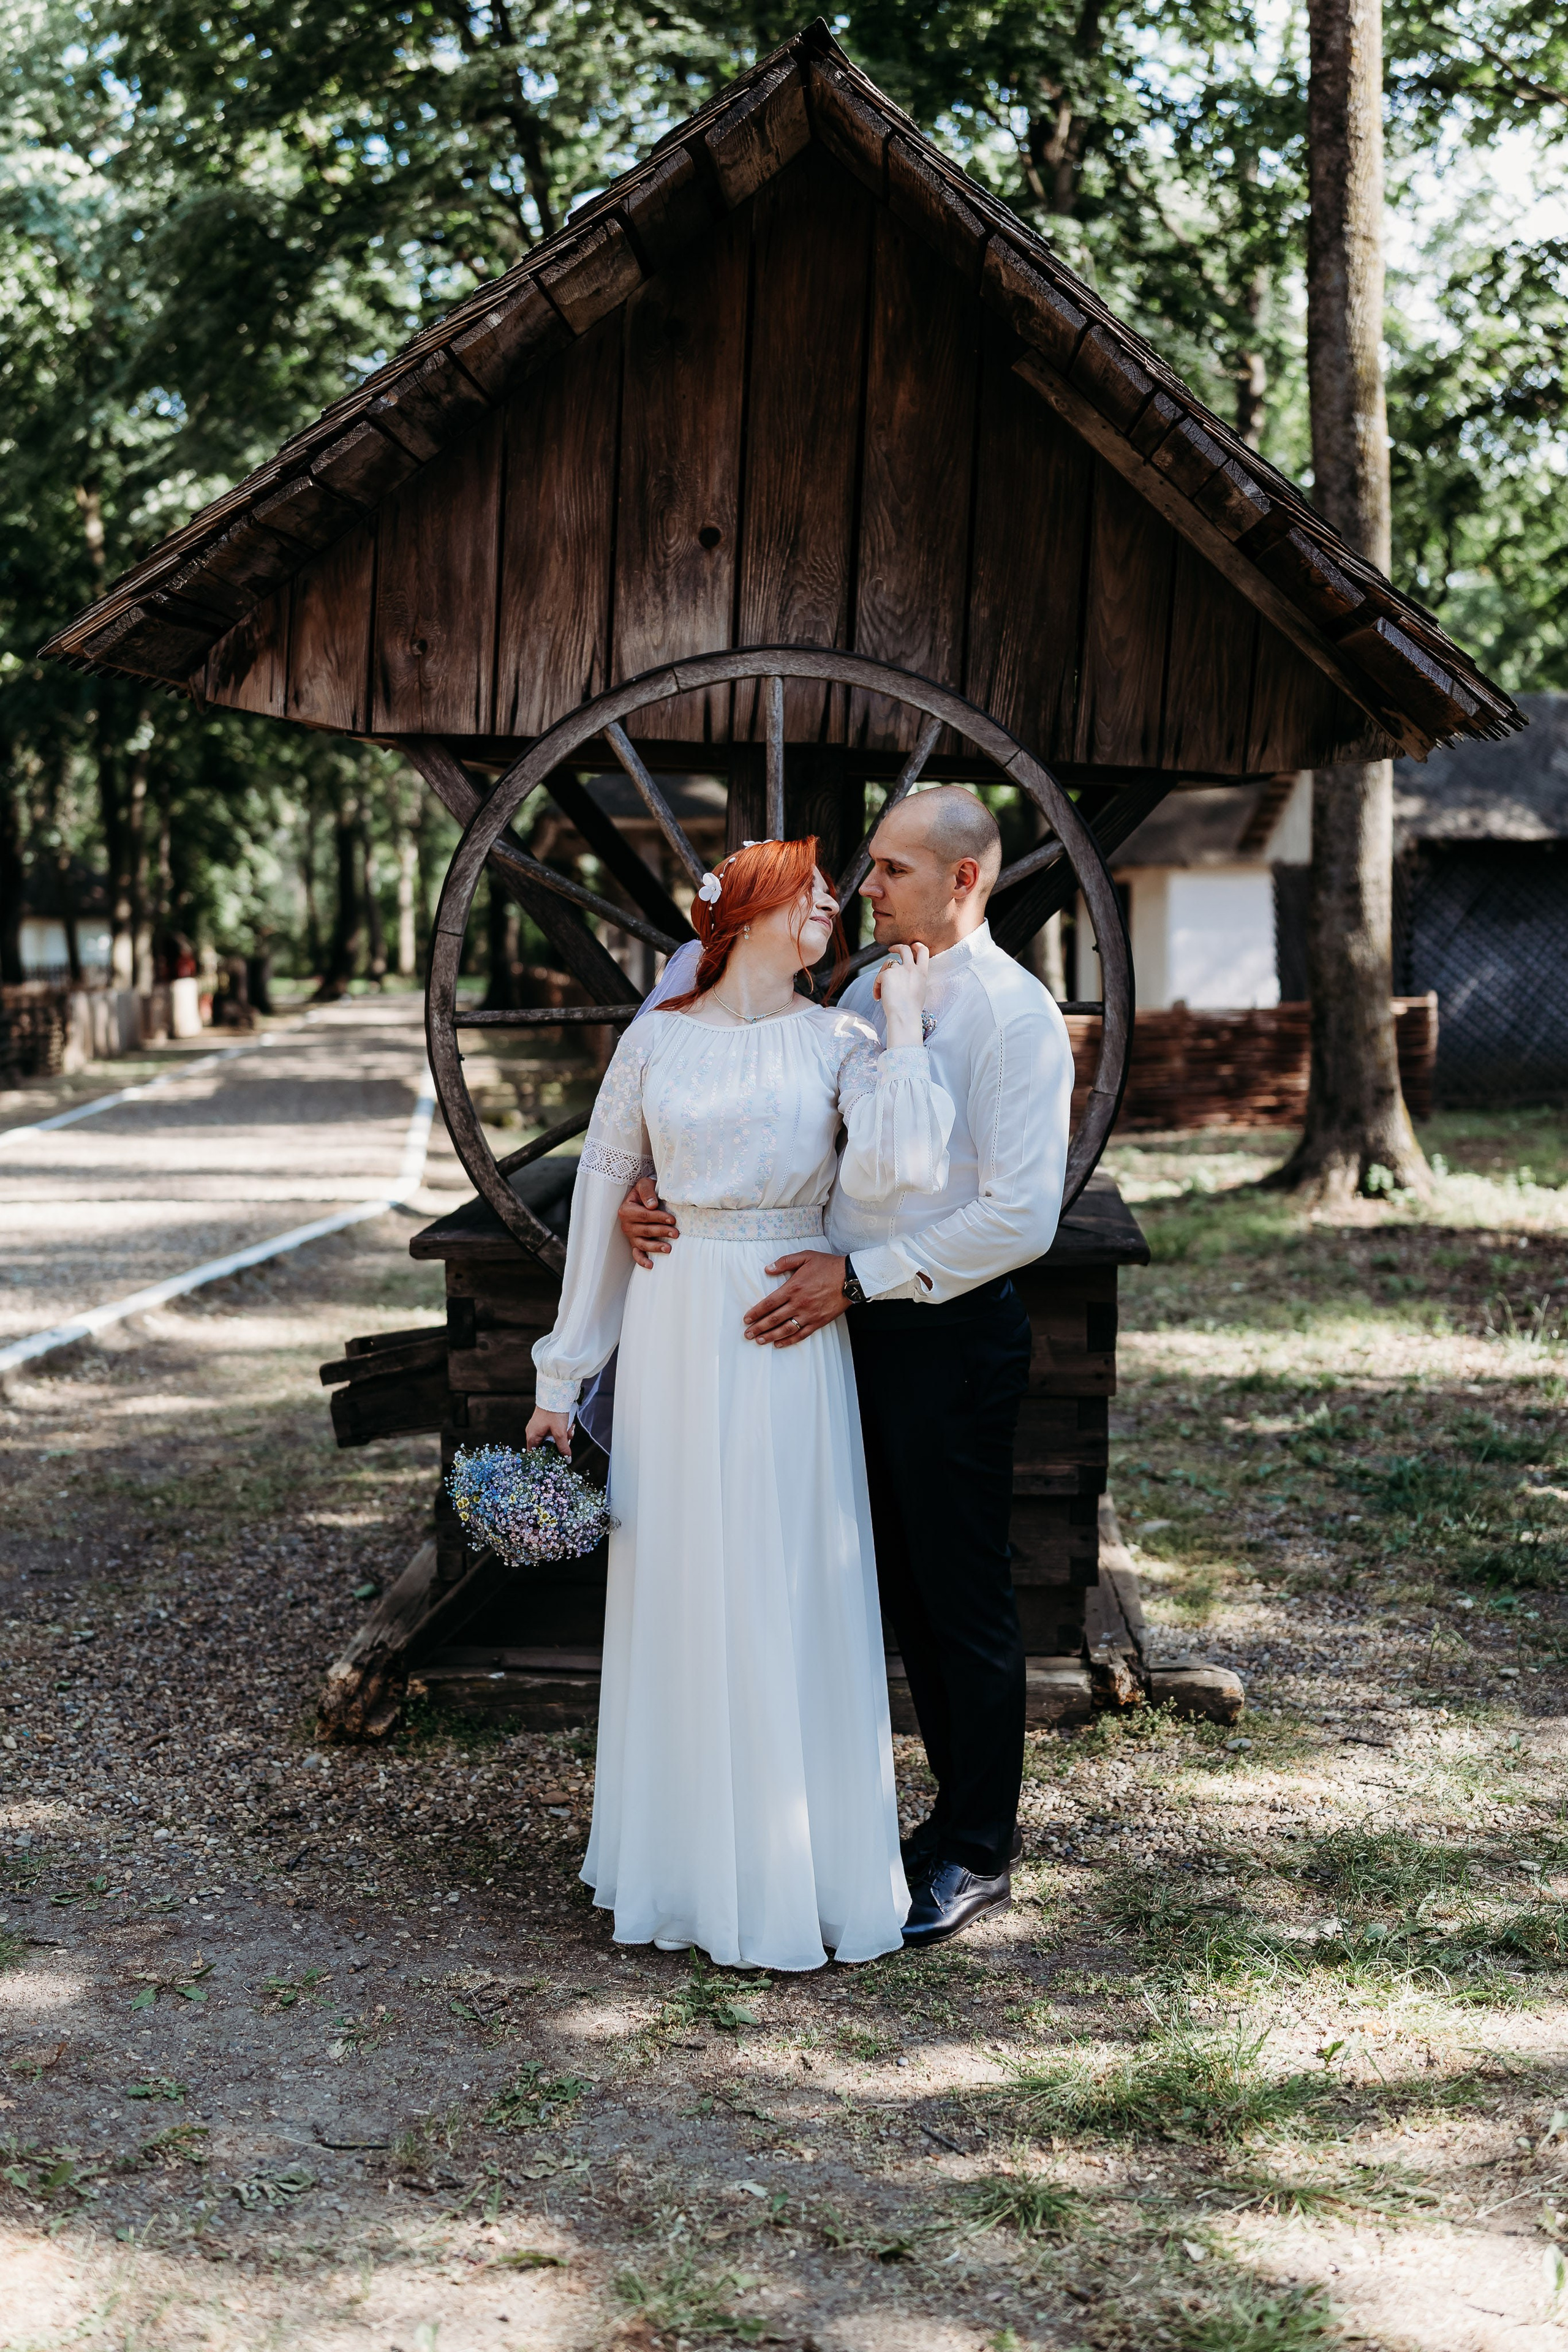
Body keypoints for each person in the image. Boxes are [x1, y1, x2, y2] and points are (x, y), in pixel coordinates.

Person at [621, 788, 1074, 1948]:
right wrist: (660, 1186)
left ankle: (976, 1849)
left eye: (892, 870)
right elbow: (793, 1119)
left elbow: (1021, 1219)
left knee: (960, 1594)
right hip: (836, 1330)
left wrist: (862, 1283)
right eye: (868, 870)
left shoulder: (1017, 1022)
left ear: (964, 879)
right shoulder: (871, 992)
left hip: (946, 1333)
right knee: (888, 1591)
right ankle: (885, 1823)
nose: (868, 890)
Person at [524, 837, 955, 1972]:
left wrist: (906, 1026)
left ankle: (793, 1869)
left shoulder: (847, 1038)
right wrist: (564, 1377)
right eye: (812, 893)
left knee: (782, 1574)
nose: (832, 907)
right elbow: (604, 1193)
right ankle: (679, 1867)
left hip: (785, 1327)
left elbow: (907, 1171)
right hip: (672, 1326)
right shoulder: (655, 1042)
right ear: (751, 912)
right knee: (681, 1575)